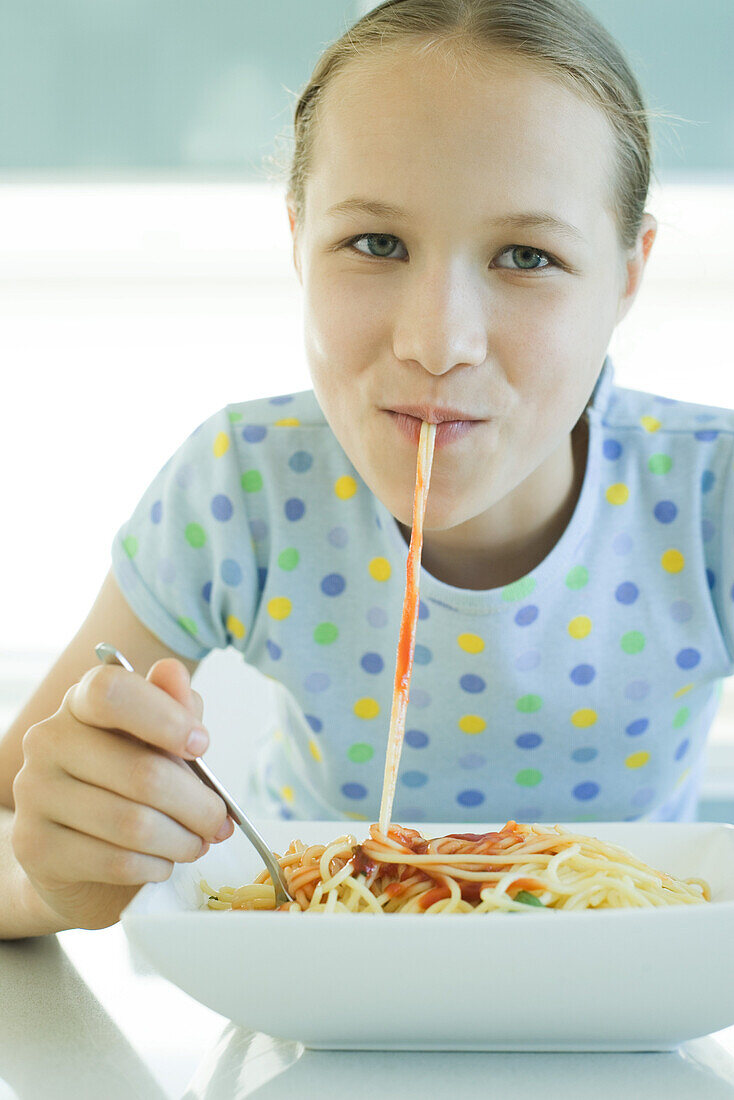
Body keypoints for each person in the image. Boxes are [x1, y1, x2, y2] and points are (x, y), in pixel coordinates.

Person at [0, 0, 726, 938]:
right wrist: (57, 880)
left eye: (526, 255)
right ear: (298, 240)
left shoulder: (711, 499)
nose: (437, 342)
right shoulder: (245, 488)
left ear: (629, 274)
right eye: (376, 244)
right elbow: (16, 821)